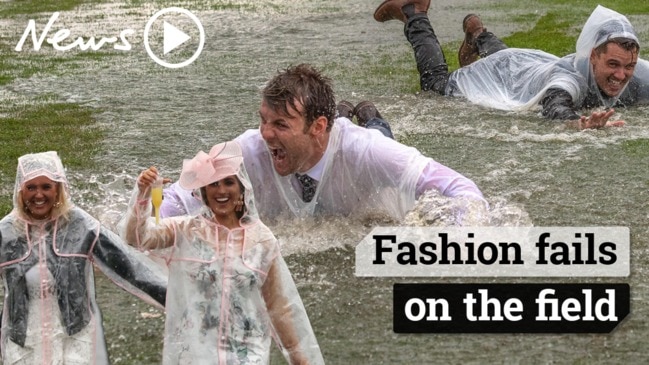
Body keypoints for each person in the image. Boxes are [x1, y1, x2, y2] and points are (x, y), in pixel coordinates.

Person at [160, 63, 485, 221]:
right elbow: (179, 195)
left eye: (280, 125)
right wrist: (147, 225)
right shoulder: (247, 148)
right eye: (263, 120)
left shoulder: (367, 151)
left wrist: (448, 233)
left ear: (317, 126)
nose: (265, 133)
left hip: (362, 156)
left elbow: (463, 191)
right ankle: (340, 112)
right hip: (325, 136)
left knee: (378, 132)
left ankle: (367, 115)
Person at [119, 142, 324, 364]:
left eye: (229, 182)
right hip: (194, 355)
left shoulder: (262, 240)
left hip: (247, 356)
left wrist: (299, 358)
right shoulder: (184, 231)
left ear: (241, 189)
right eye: (213, 184)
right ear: (204, 192)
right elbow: (136, 238)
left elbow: (280, 308)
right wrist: (143, 195)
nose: (222, 191)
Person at [0, 151, 166, 364]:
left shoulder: (79, 225)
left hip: (74, 336)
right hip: (23, 339)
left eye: (46, 187)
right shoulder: (7, 231)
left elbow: (129, 267)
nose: (38, 195)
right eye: (31, 187)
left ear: (59, 189)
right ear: (20, 191)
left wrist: (175, 298)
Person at [374, 1, 649, 129]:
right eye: (612, 64)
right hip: (504, 74)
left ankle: (478, 35)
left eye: (629, 66)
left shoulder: (636, 73)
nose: (621, 75)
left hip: (524, 63)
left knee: (508, 59)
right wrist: (579, 123)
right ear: (592, 56)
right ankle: (414, 13)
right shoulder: (570, 81)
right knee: (435, 84)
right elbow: (555, 106)